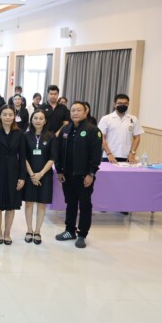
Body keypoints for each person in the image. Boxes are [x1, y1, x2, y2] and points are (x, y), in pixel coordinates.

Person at [55, 101, 103, 248]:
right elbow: (58, 151)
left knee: (85, 205)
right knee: (70, 203)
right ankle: (70, 230)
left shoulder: (93, 130)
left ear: (85, 112)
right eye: (73, 110)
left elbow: (96, 155)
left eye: (78, 110)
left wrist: (91, 173)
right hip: (67, 175)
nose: (75, 113)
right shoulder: (65, 129)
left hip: (84, 176)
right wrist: (59, 170)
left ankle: (82, 234)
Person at [0, 105, 26, 245]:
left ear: (14, 116)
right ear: (0, 116)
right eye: (5, 114)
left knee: (11, 205)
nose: (8, 117)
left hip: (14, 171)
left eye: (10, 114)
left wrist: (22, 177)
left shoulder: (20, 133)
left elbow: (23, 157)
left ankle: (7, 233)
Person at [22, 109, 57, 245]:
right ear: (31, 120)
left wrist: (40, 174)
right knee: (29, 203)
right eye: (35, 118)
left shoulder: (51, 136)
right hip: (29, 174)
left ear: (45, 121)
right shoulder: (25, 135)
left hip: (45, 175)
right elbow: (23, 157)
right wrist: (32, 175)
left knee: (42, 204)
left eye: (41, 118)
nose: (38, 120)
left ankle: (37, 231)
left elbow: (52, 158)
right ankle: (29, 230)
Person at [98, 93, 144, 164]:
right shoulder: (106, 118)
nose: (122, 105)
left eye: (125, 103)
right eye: (120, 103)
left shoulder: (133, 119)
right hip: (109, 156)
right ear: (114, 104)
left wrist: (132, 153)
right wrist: (109, 153)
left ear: (128, 104)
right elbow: (101, 137)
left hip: (127, 156)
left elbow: (137, 137)